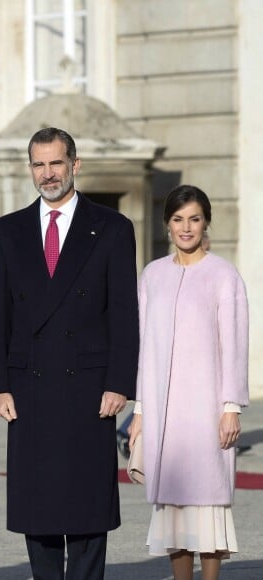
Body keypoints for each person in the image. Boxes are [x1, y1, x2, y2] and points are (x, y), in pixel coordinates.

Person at [0, 127, 139, 580]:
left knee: (88, 507)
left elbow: (124, 313)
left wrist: (119, 382)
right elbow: (1, 314)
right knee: (40, 507)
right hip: (29, 385)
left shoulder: (113, 227)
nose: (47, 174)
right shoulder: (7, 230)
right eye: (38, 164)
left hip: (90, 387)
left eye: (56, 163)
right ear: (30, 168)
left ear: (75, 164)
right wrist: (1, 386)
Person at [129, 184, 249, 580]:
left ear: (205, 222)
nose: (186, 227)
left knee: (208, 506)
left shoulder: (224, 275)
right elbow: (145, 348)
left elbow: (234, 344)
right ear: (167, 224)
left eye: (194, 219)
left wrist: (230, 407)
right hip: (164, 413)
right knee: (175, 510)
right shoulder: (152, 276)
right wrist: (141, 411)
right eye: (179, 219)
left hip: (207, 409)